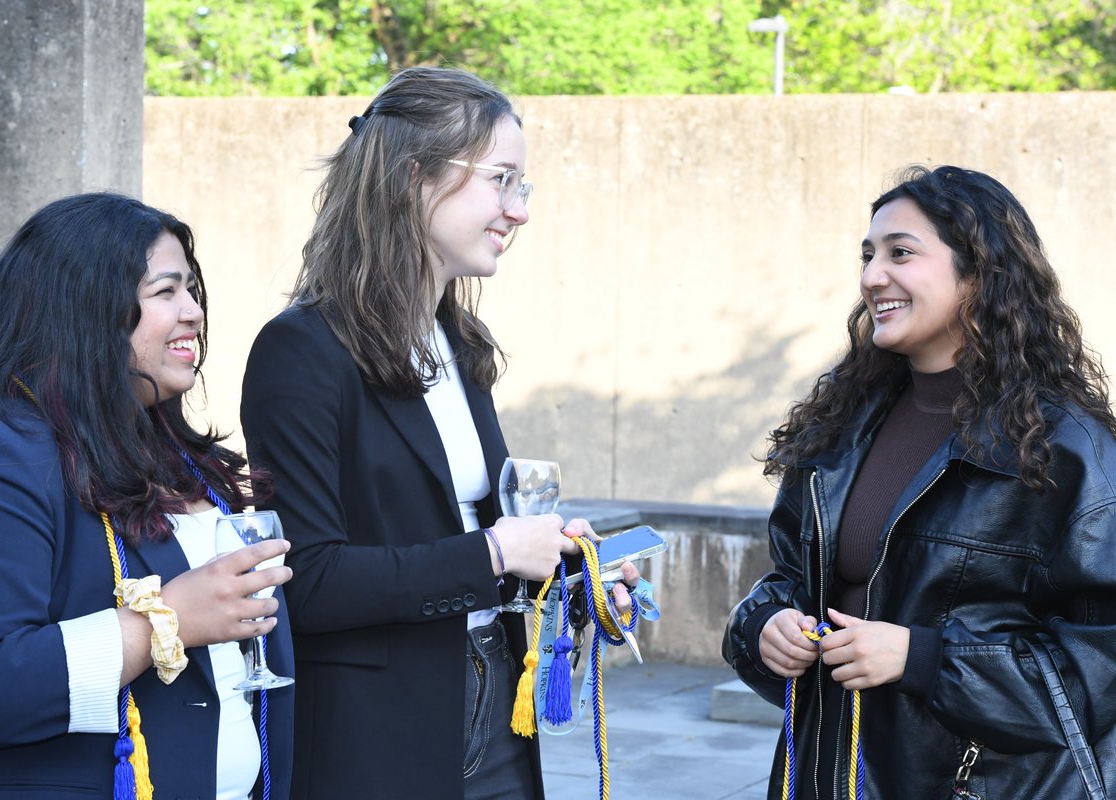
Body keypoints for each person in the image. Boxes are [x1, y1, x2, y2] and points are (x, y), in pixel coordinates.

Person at [241, 66, 638, 800]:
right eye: (502, 180)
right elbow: (310, 581)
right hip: (378, 735)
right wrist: (493, 551)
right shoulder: (300, 351)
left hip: (495, 711)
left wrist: (564, 568)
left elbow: (463, 534)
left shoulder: (455, 341)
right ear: (414, 177)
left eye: (524, 186)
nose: (518, 211)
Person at [723, 165, 1116, 799]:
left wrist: (924, 658)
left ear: (981, 273)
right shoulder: (843, 423)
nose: (873, 275)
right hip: (823, 774)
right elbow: (790, 579)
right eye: (868, 255)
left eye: (901, 253)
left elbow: (1099, 669)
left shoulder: (1068, 449)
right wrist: (765, 624)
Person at [0, 193, 295, 799]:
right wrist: (160, 624)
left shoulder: (171, 455)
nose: (194, 311)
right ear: (85, 307)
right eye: (166, 292)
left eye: (193, 290)